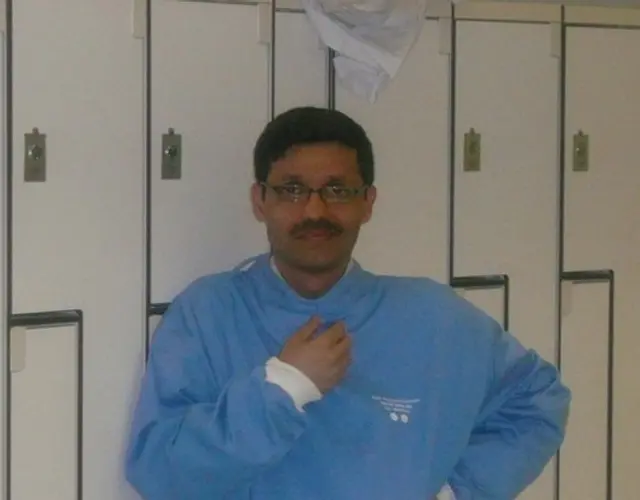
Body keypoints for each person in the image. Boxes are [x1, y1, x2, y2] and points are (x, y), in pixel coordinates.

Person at [125, 107, 571, 500]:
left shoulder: (434, 319)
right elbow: (161, 474)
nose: (314, 211)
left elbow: (537, 399)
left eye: (337, 190)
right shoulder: (209, 314)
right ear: (260, 201)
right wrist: (283, 388)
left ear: (367, 202)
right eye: (292, 190)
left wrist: (459, 491)